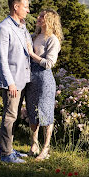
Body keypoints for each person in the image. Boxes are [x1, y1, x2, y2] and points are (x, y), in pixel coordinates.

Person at [0, 0, 32, 163]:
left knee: (14, 117)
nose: (28, 10)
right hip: (12, 82)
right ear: (16, 7)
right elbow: (1, 59)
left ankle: (10, 149)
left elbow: (27, 49)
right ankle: (6, 155)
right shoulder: (4, 28)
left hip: (22, 80)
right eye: (25, 7)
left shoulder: (22, 26)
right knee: (9, 117)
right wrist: (10, 83)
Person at [25, 9, 63, 160]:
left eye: (43, 17)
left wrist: (31, 54)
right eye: (39, 16)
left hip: (44, 80)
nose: (39, 18)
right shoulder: (34, 36)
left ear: (50, 20)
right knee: (32, 112)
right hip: (30, 79)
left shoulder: (52, 40)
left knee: (45, 113)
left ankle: (46, 148)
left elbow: (49, 63)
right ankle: (34, 145)